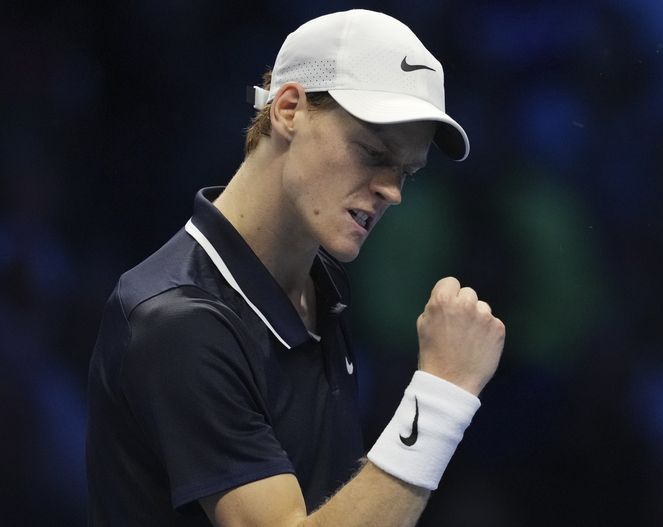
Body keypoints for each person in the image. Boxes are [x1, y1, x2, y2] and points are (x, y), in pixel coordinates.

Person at [87, 9, 505, 526]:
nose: (393, 192)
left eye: (406, 172)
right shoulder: (178, 322)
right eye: (373, 153)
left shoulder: (320, 289)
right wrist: (441, 394)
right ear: (288, 109)